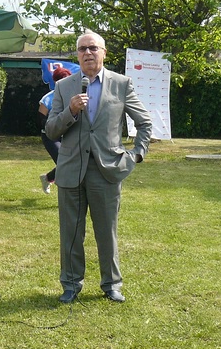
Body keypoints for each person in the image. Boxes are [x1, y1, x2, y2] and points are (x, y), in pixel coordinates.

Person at [45, 30, 153, 304]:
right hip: (71, 169)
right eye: (82, 49)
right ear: (77, 55)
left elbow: (144, 122)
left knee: (107, 232)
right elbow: (51, 129)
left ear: (104, 52)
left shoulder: (121, 84)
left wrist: (136, 155)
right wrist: (70, 111)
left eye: (93, 48)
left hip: (107, 170)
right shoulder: (64, 87)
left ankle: (111, 284)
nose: (88, 53)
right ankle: (71, 284)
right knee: (71, 233)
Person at [38, 66, 72, 194]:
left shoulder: (73, 97)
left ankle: (47, 178)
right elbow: (41, 121)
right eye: (62, 80)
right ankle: (67, 193)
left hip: (68, 135)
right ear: (56, 82)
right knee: (64, 162)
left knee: (71, 162)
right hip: (51, 136)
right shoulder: (47, 98)